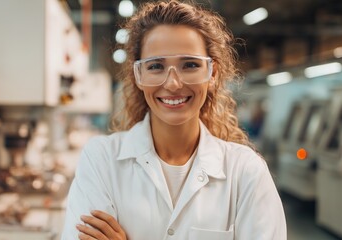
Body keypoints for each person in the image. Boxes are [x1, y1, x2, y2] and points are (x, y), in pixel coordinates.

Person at [61, 1, 287, 239]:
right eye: (156, 66)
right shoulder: (101, 160)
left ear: (213, 73)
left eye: (189, 65)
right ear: (138, 75)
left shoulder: (245, 172)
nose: (172, 84)